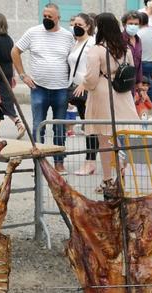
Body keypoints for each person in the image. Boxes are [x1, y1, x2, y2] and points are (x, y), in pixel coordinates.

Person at [12, 3, 73, 162]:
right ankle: (39, 165)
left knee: (59, 128)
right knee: (38, 127)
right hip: (38, 88)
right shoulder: (33, 32)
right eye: (44, 16)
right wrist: (23, 75)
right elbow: (15, 51)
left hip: (61, 89)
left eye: (50, 17)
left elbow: (73, 60)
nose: (46, 19)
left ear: (58, 18)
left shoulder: (67, 36)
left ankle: (59, 163)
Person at [81, 12, 136, 181]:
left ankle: (107, 180)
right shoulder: (125, 48)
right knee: (121, 136)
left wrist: (85, 82)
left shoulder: (96, 50)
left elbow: (90, 79)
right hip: (123, 94)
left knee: (104, 142)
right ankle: (121, 174)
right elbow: (131, 69)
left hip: (103, 95)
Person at [67, 12, 97, 176]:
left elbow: (95, 67)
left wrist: (85, 84)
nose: (75, 27)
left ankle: (90, 162)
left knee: (91, 129)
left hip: (87, 90)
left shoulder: (91, 43)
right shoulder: (75, 43)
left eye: (79, 25)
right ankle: (89, 162)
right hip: (75, 89)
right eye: (74, 24)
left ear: (88, 26)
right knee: (88, 128)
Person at [0, 12, 26, 138]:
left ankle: (18, 123)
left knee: (2, 100)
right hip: (8, 71)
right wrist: (13, 74)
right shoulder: (9, 39)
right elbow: (11, 58)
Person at [123, 11, 143, 87]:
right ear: (125, 24)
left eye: (136, 24)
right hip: (123, 80)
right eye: (130, 23)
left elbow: (139, 62)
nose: (133, 26)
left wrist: (139, 81)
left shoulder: (138, 40)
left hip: (133, 81)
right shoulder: (120, 40)